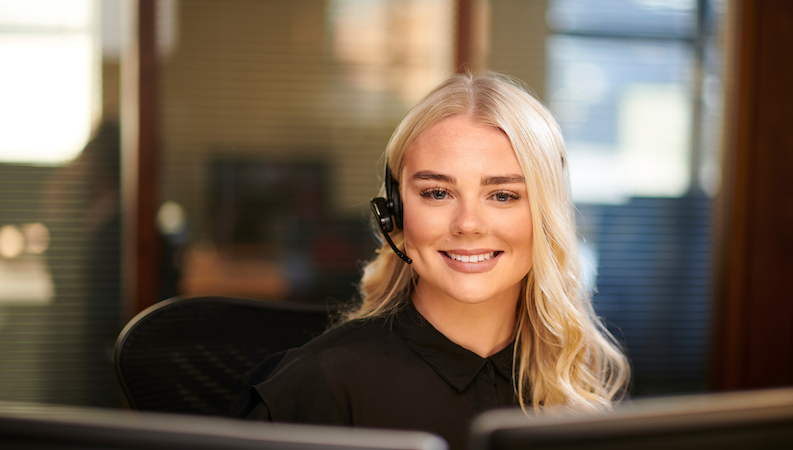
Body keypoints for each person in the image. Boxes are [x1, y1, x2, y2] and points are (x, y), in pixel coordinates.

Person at [232, 72, 630, 450]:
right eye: (437, 193)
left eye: (503, 195)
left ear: (547, 214)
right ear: (394, 212)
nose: (468, 224)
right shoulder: (314, 386)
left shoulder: (581, 381)